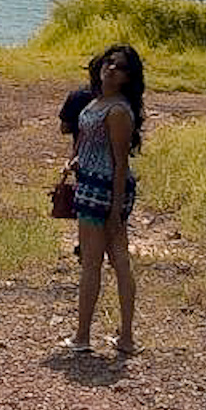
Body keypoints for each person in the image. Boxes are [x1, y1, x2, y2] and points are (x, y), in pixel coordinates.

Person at [62, 43, 144, 358]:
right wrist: (74, 161)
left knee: (104, 262)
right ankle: (121, 337)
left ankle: (86, 335)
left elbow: (120, 163)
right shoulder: (97, 102)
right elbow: (87, 144)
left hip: (105, 190)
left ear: (127, 77)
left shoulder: (118, 110)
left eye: (120, 66)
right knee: (108, 261)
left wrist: (115, 209)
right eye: (109, 62)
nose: (111, 69)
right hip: (89, 185)